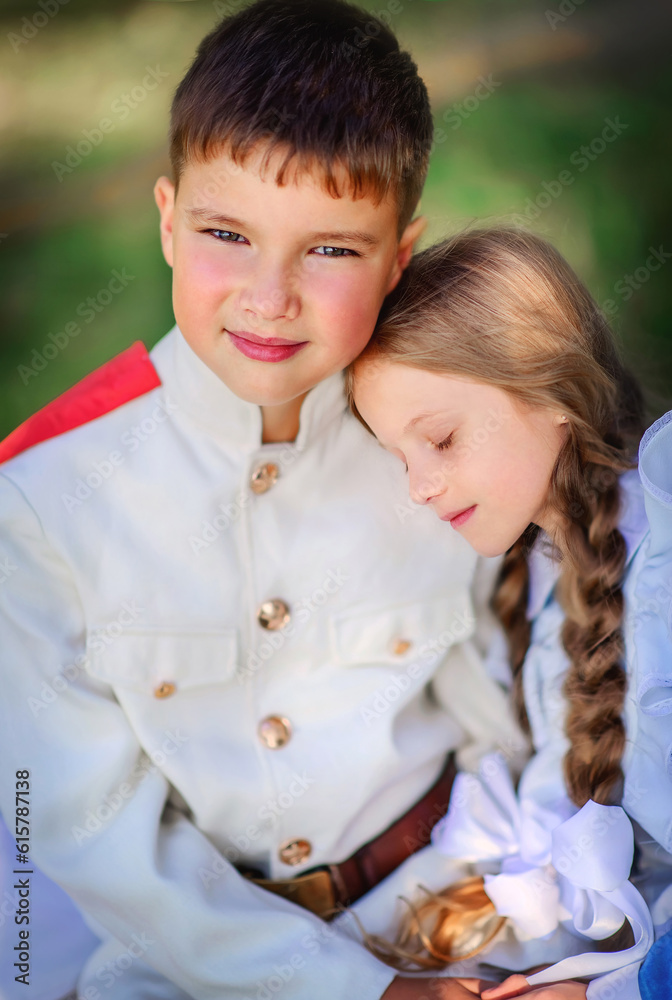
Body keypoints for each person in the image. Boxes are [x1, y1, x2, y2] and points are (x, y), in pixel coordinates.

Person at [0, 4, 522, 998]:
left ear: (399, 256)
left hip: (452, 905)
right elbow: (90, 833)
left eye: (332, 250)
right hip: (185, 962)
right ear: (167, 220)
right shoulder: (44, 499)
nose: (270, 296)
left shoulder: (444, 442)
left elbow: (509, 702)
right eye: (227, 234)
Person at [348, 226, 672, 998]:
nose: (419, 487)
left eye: (441, 439)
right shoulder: (532, 585)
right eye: (400, 458)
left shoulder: (661, 579)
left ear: (549, 385)